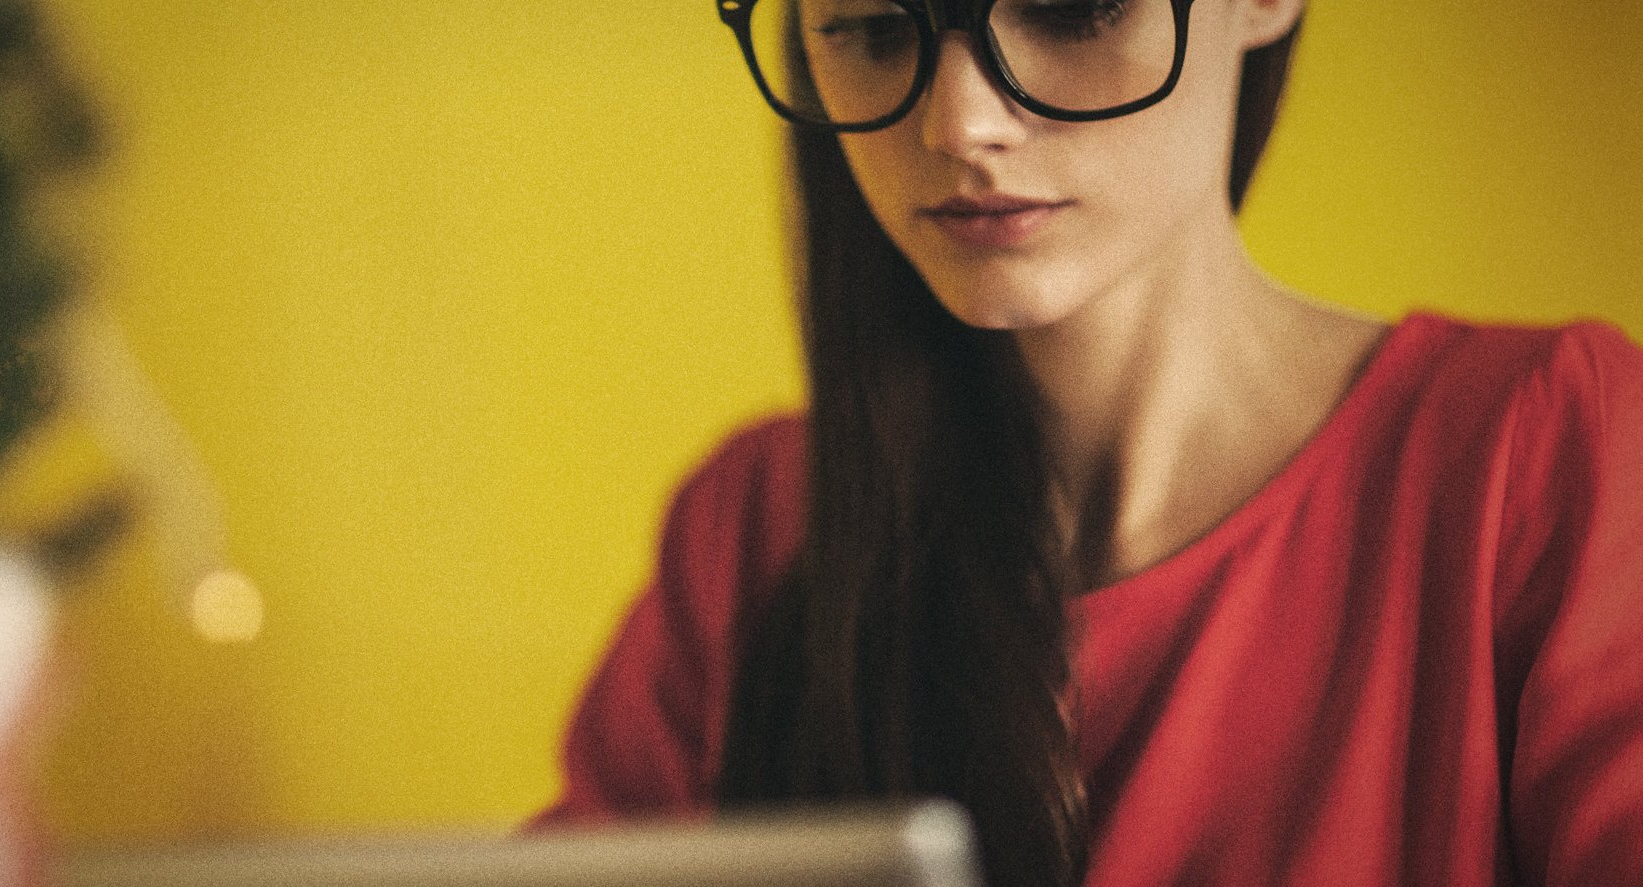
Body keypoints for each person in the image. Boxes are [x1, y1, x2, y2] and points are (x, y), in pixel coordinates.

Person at [534, 1, 1643, 886]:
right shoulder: (755, 523)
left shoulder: (1548, 452)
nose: (959, 122)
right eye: (875, 30)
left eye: (1072, 13)